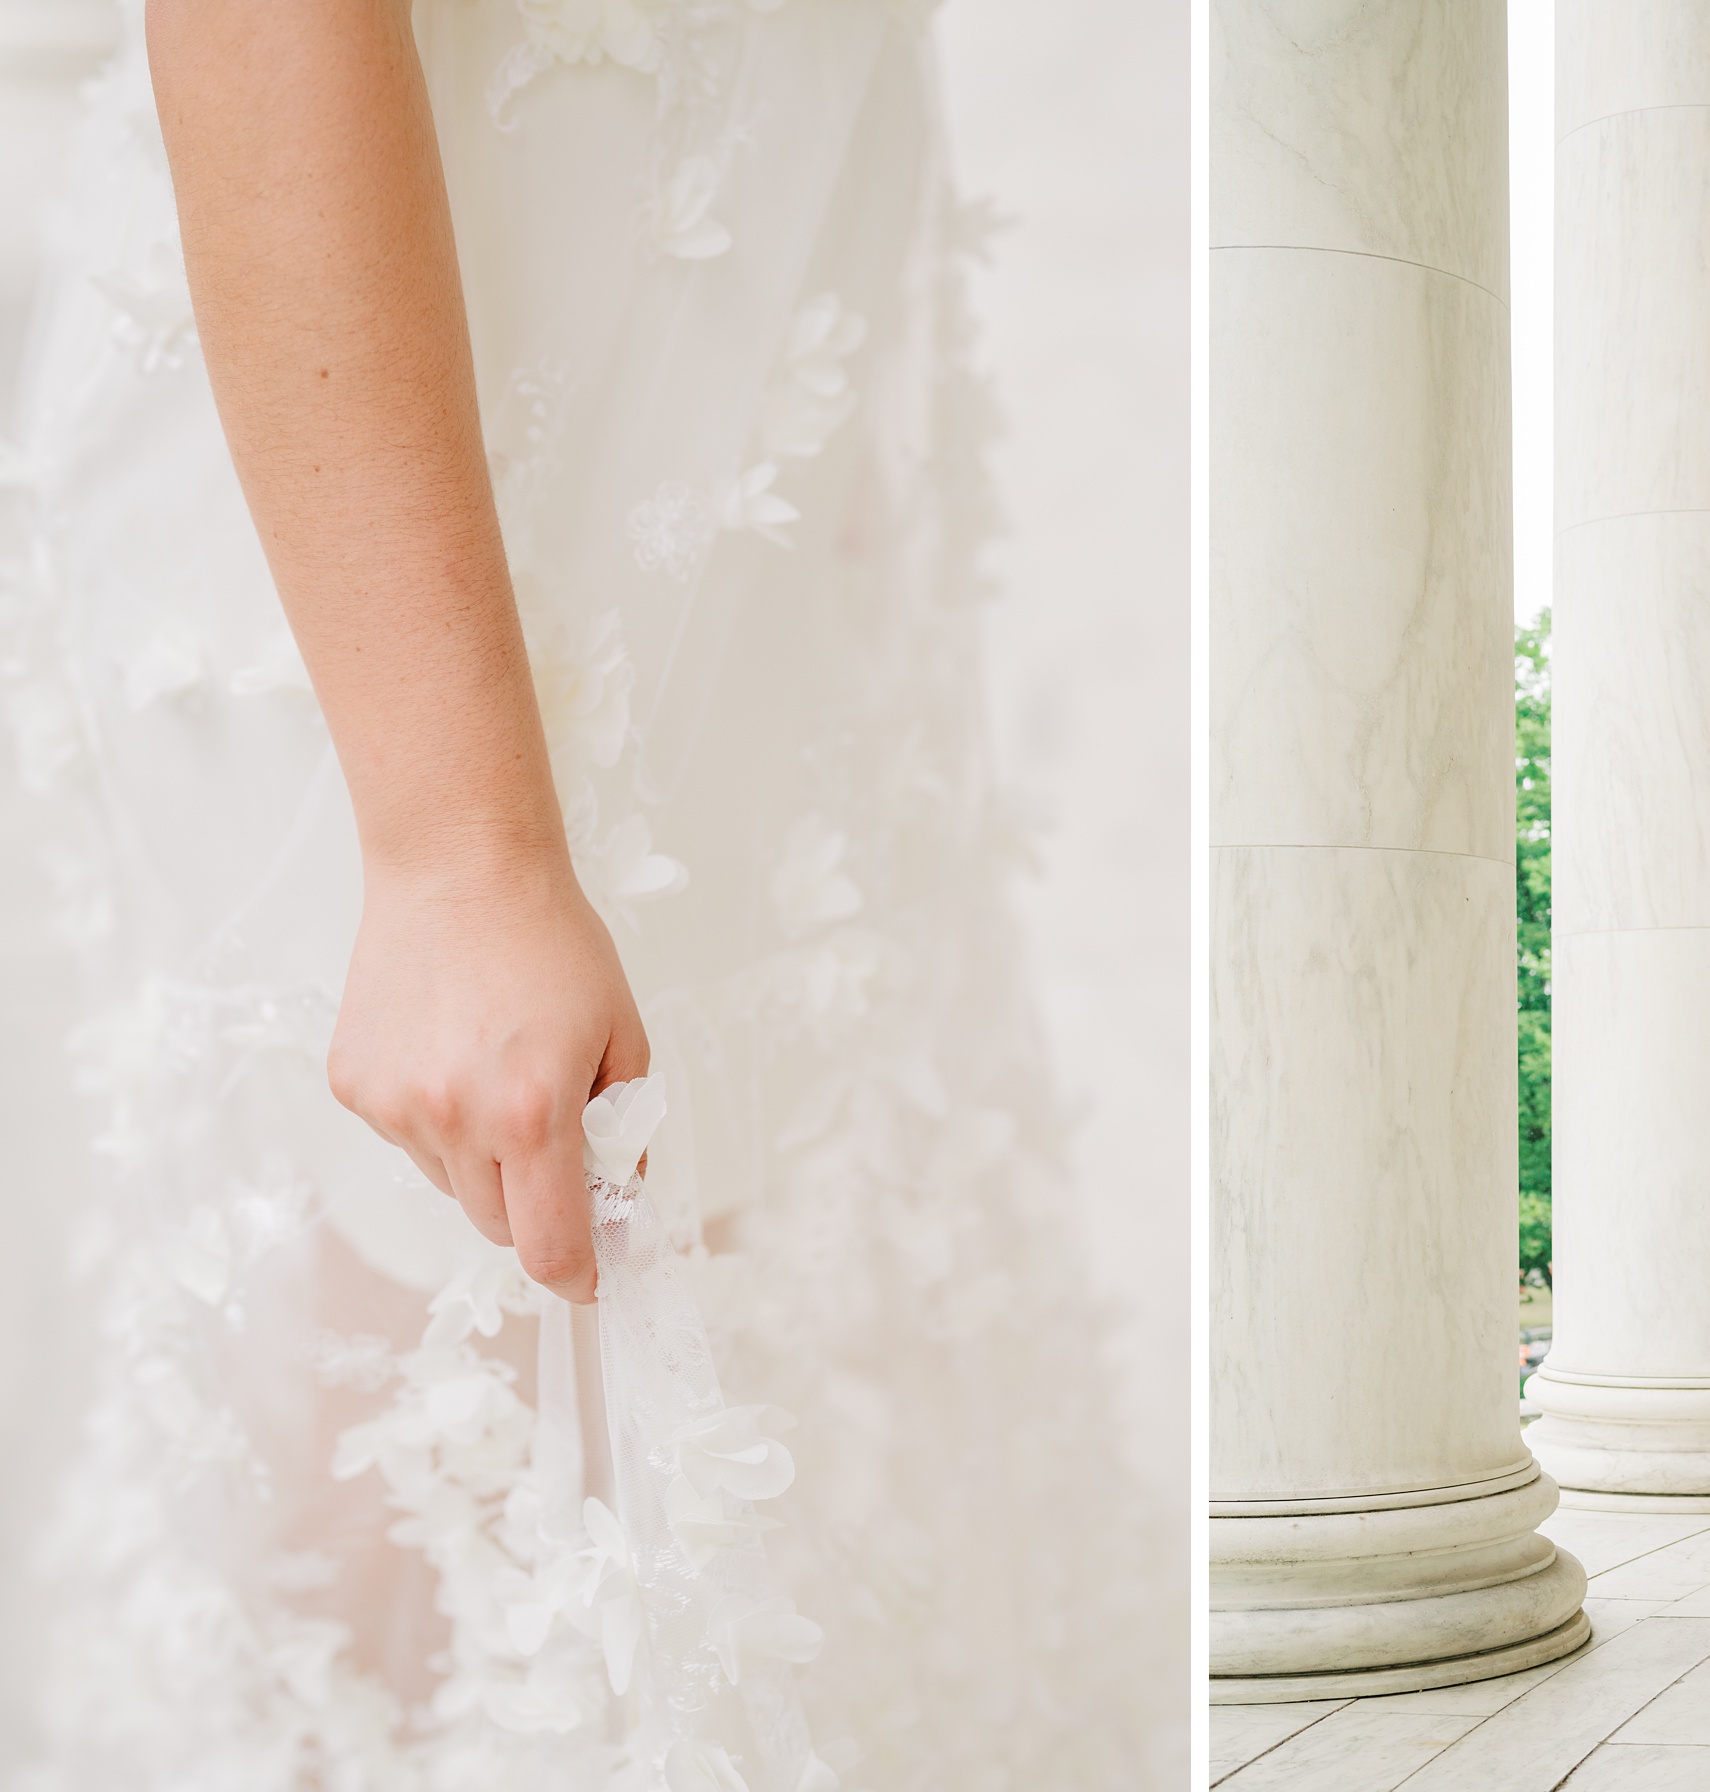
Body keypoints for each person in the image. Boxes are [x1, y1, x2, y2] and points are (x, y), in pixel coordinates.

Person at [0, 1, 1168, 1785]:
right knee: (416, 1387)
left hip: (711, 453)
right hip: (401, 484)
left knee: (681, 1373)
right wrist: (454, 843)